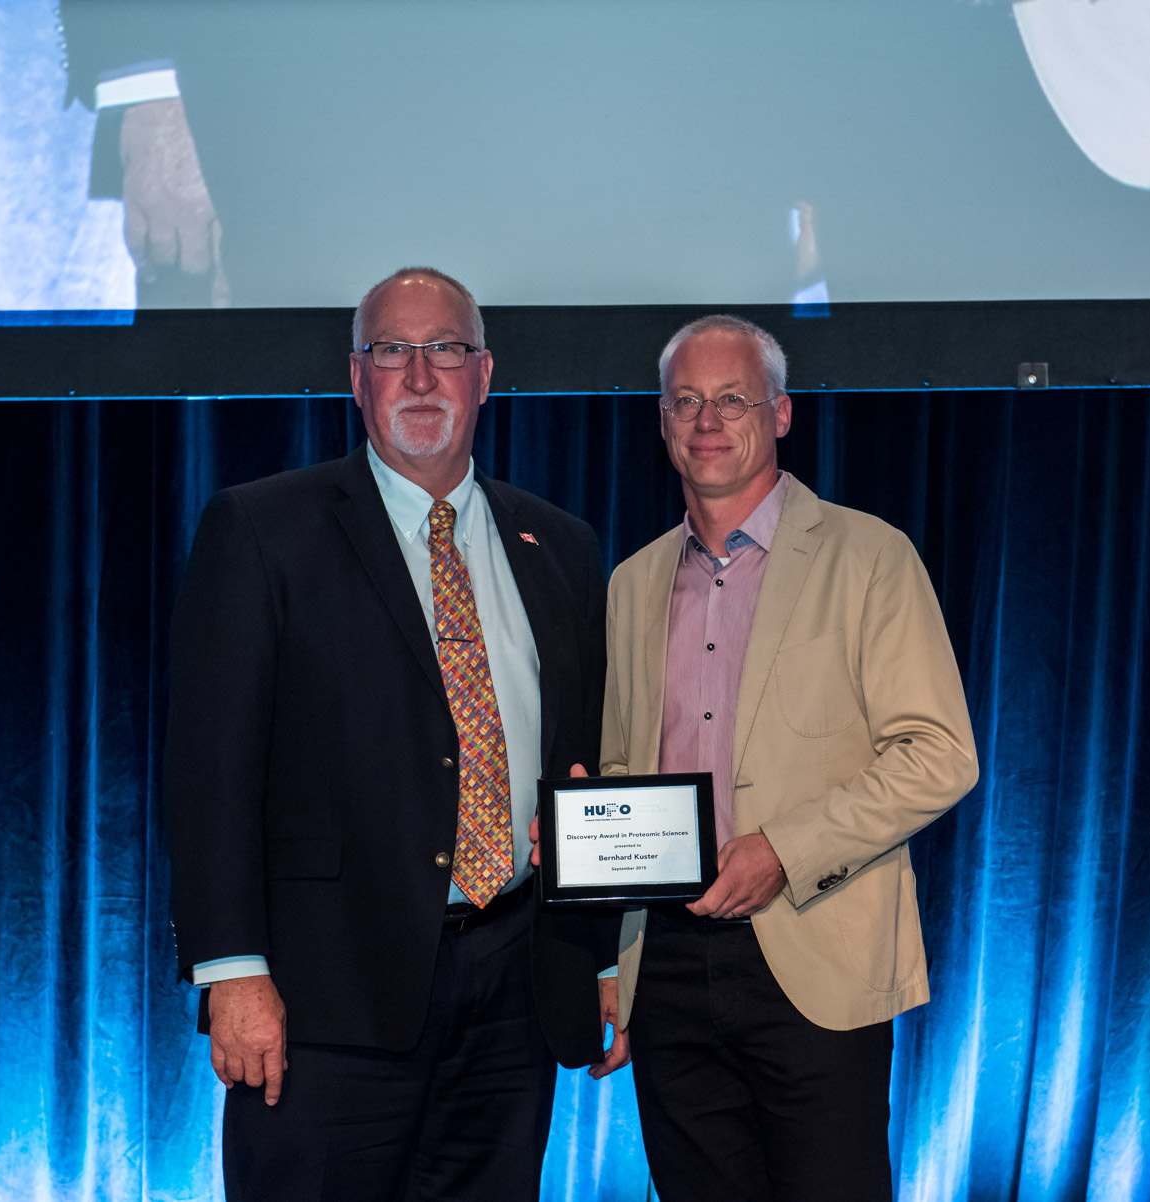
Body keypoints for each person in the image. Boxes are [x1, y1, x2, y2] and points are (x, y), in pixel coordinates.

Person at [163, 267, 619, 1201]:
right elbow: (209, 771)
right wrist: (233, 973)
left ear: (484, 374)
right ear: (356, 374)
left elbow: (581, 764)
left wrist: (602, 949)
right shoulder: (263, 529)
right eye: (391, 351)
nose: (419, 374)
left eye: (444, 349)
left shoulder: (559, 544)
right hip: (327, 999)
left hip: (515, 988)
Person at [598, 315, 978, 1201]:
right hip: (672, 971)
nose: (707, 422)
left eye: (733, 399)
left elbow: (938, 753)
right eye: (685, 401)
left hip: (817, 955)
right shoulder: (631, 582)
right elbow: (623, 773)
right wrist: (612, 943)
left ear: (780, 415)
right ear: (660, 420)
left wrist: (783, 850)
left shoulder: (869, 556)